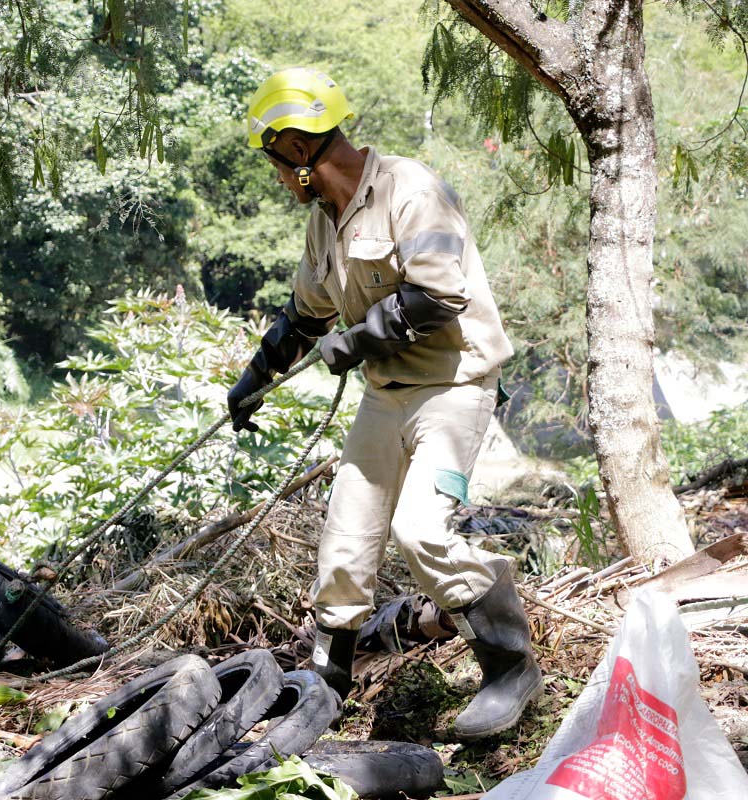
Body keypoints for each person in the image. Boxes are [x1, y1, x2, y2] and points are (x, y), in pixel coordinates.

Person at [227, 67, 542, 740]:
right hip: (385, 397)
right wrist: (255, 376)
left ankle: (510, 667)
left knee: (421, 531)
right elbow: (304, 316)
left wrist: (362, 339)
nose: (277, 176)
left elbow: (437, 295)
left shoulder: (412, 191)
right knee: (345, 539)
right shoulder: (324, 221)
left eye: (273, 158)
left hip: (453, 391)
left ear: (295, 146)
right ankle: (325, 683)